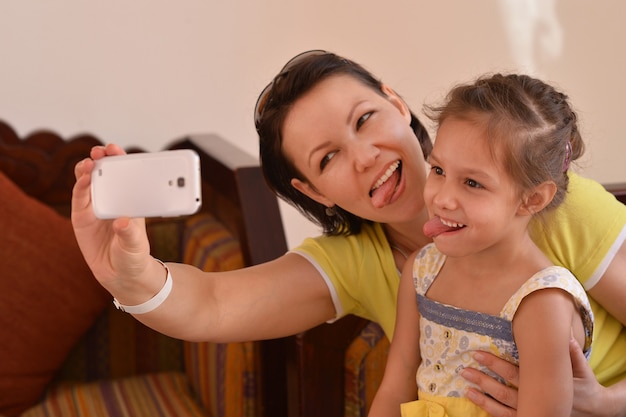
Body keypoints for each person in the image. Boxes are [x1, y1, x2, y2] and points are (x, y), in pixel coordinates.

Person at [71, 50, 626, 416]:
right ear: (314, 191)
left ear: (397, 104)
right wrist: (130, 274)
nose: (365, 158)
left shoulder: (557, 210)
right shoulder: (367, 261)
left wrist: (602, 404)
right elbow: (213, 304)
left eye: (365, 119)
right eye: (329, 157)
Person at [368, 73, 594, 417]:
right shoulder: (422, 270)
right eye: (439, 170)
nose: (442, 198)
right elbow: (394, 386)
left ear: (531, 199)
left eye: (472, 183)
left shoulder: (541, 301)